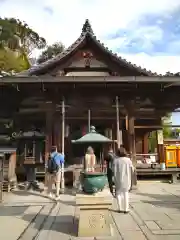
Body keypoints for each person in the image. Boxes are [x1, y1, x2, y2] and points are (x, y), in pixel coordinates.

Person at [113, 147, 134, 214]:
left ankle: (120, 208)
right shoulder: (128, 160)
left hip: (118, 179)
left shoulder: (115, 161)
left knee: (118, 193)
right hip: (127, 179)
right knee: (126, 193)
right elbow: (132, 170)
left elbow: (113, 170)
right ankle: (126, 209)